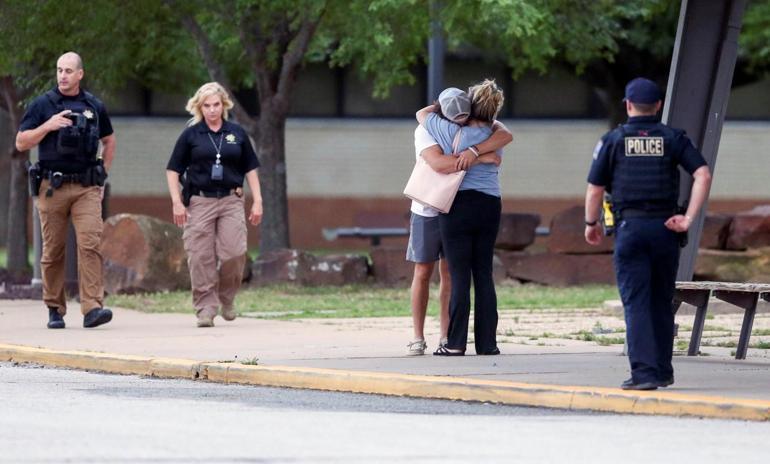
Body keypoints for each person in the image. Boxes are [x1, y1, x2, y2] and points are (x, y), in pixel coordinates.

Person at [584, 77, 712, 390]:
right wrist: (688, 218)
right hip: (666, 229)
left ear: (628, 105)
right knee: (660, 300)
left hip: (630, 229)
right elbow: (702, 173)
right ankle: (663, 370)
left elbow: (595, 188)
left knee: (637, 302)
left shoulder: (612, 140)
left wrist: (591, 224)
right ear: (657, 106)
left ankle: (643, 374)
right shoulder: (673, 137)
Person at [406, 88, 511, 355]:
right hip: (489, 204)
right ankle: (487, 344)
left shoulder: (444, 129)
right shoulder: (493, 133)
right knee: (483, 274)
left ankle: (454, 343)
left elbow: (421, 115)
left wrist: (471, 153)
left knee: (459, 275)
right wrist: (480, 155)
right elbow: (506, 136)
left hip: (457, 205)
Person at [16, 52, 116, 329]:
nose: (63, 75)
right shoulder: (42, 104)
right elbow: (22, 142)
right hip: (52, 186)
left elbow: (109, 140)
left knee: (90, 245)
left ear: (80, 74)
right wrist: (48, 126)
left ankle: (93, 308)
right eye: (59, 70)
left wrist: (102, 175)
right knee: (53, 250)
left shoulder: (93, 105)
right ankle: (54, 308)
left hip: (86, 187)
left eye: (69, 71)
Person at [166, 82, 263, 328]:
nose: (212, 110)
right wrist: (177, 202)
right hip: (200, 201)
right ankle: (205, 308)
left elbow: (250, 168)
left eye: (216, 105)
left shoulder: (237, 133)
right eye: (207, 106)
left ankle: (227, 299)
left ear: (224, 105)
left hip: (231, 199)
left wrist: (258, 201)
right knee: (200, 257)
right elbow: (173, 170)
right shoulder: (191, 134)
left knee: (234, 252)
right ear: (200, 107)